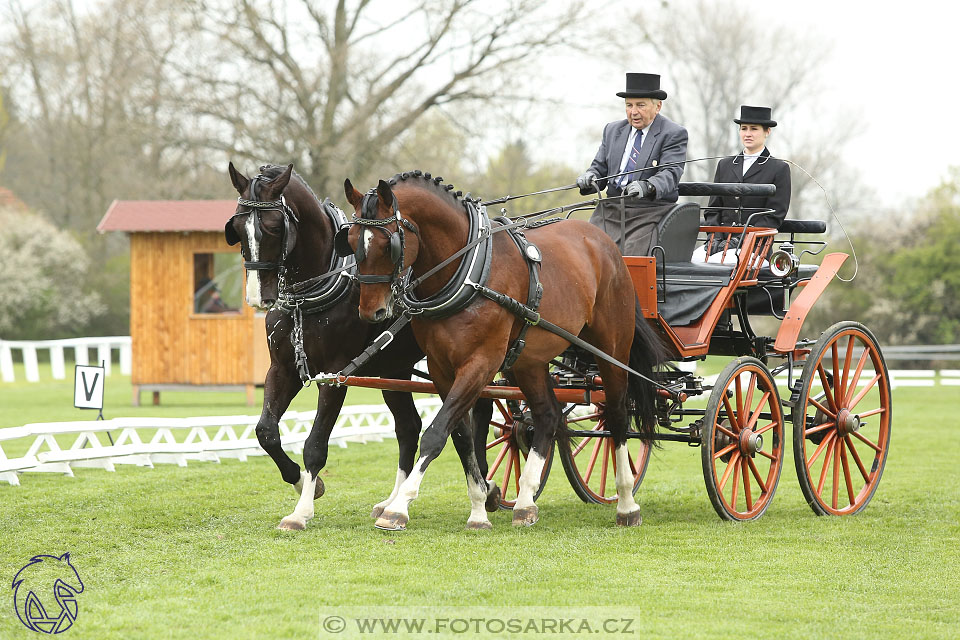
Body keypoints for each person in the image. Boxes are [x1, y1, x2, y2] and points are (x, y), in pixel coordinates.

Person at [576, 72, 688, 256]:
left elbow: (671, 172)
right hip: (610, 210)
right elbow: (599, 167)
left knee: (631, 259)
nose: (633, 111)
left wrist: (648, 186)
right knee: (585, 253)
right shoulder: (612, 130)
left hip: (648, 212)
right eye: (629, 105)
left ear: (657, 106)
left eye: (640, 105)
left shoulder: (673, 133)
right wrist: (591, 177)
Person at [693, 105, 791, 264]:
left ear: (767, 132)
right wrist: (714, 239)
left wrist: (739, 241)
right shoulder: (725, 165)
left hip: (755, 246)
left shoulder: (778, 169)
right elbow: (713, 210)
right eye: (744, 128)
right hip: (719, 245)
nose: (748, 134)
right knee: (693, 261)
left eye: (754, 129)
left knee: (728, 261)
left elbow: (774, 216)